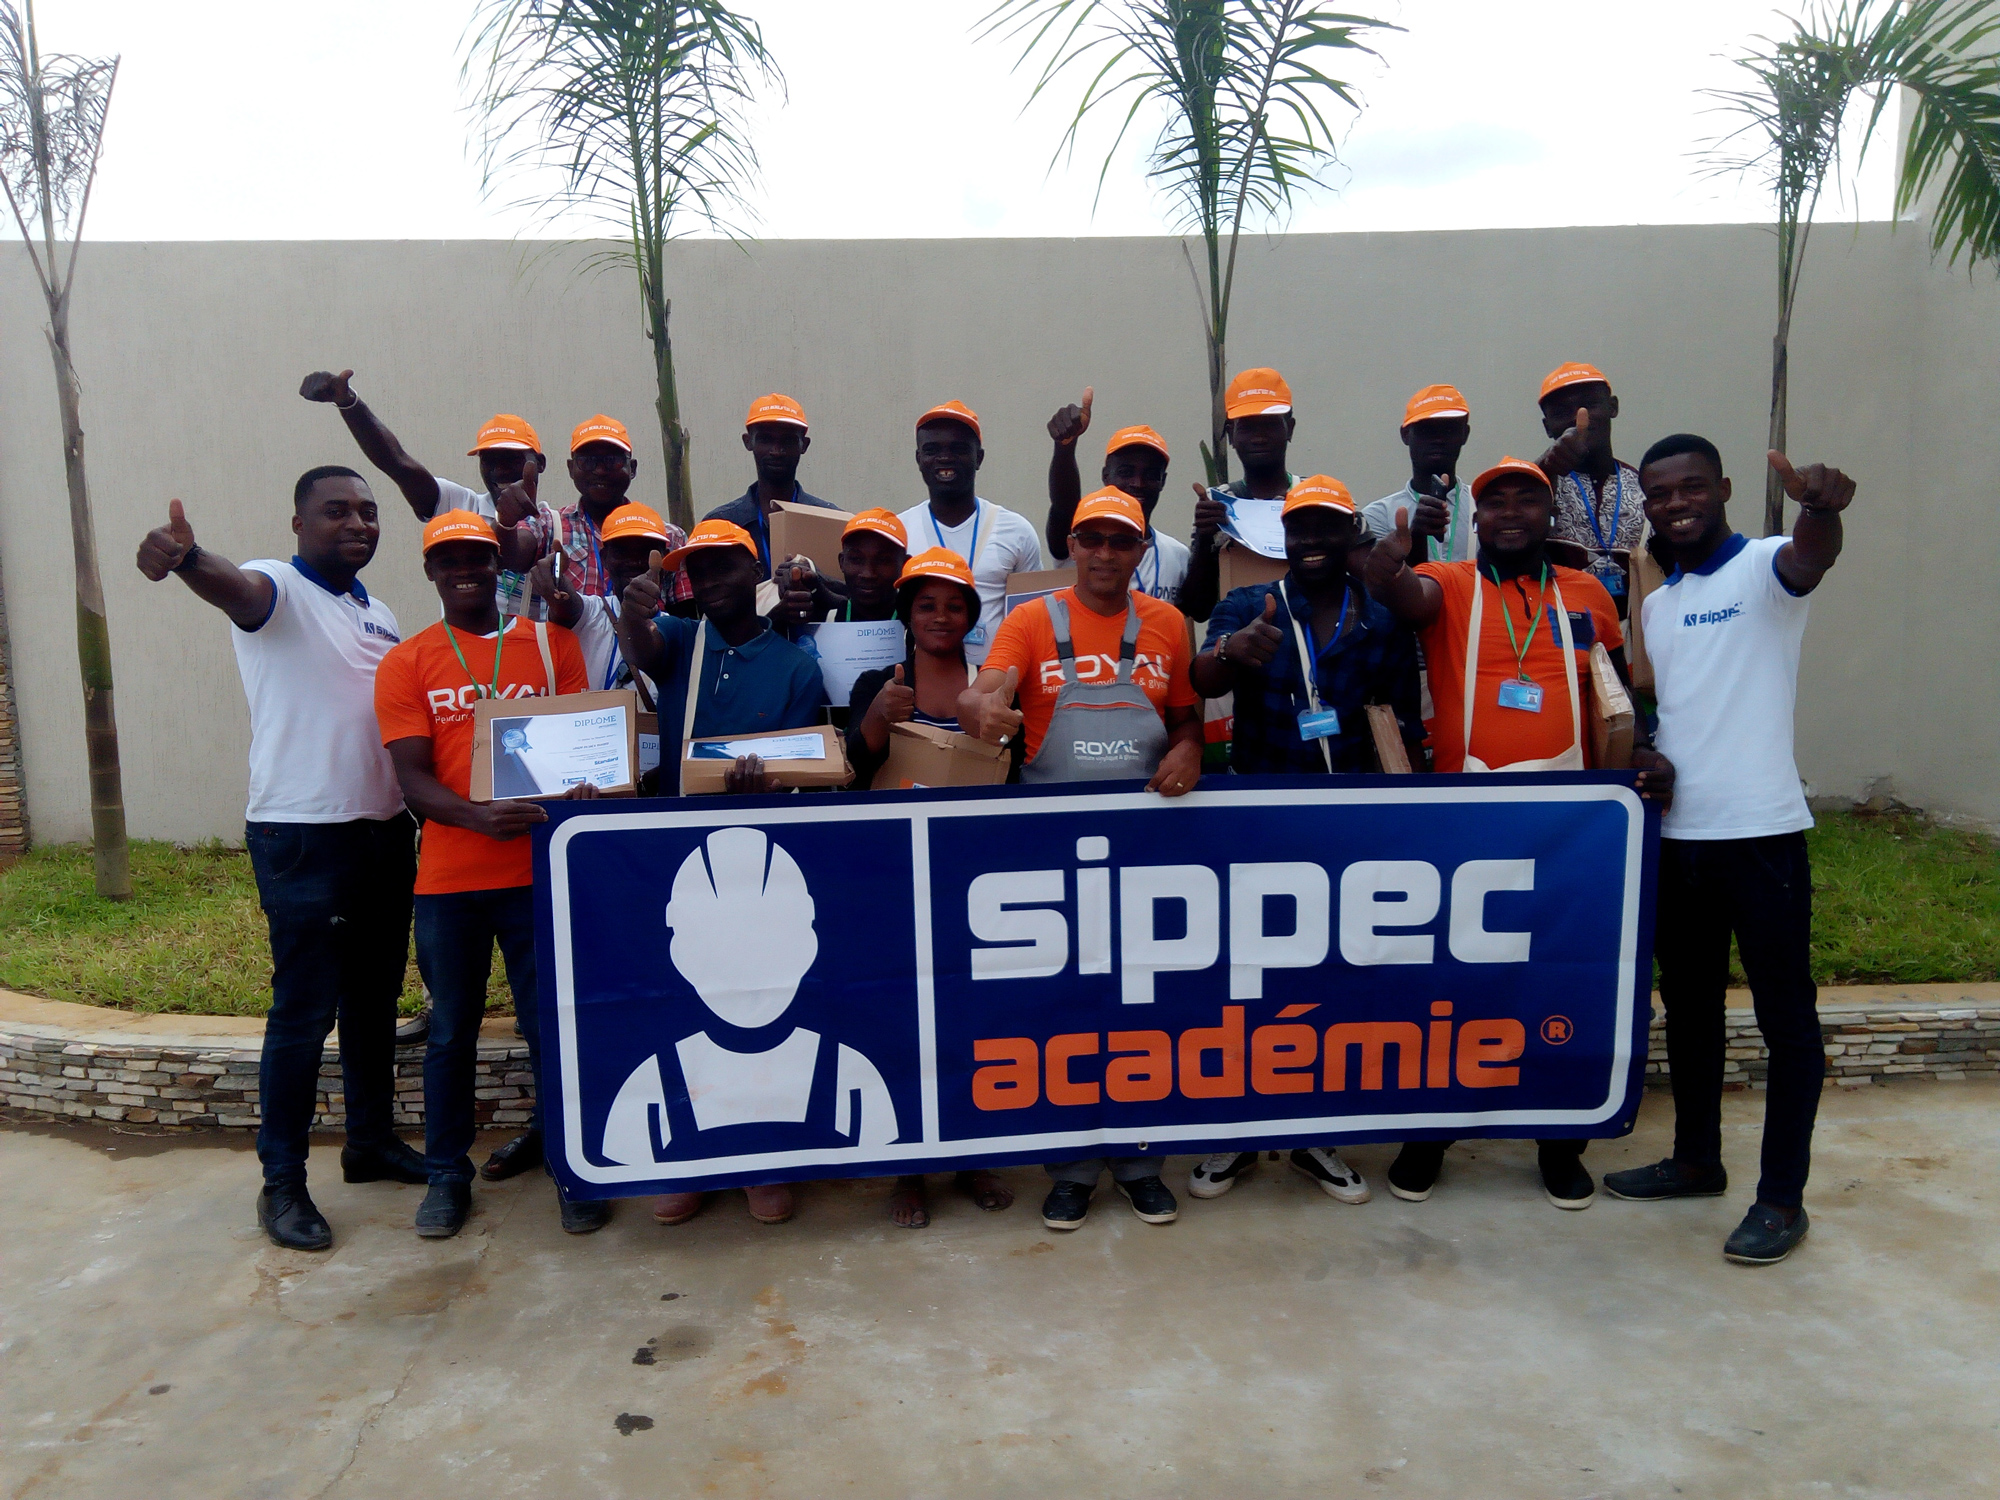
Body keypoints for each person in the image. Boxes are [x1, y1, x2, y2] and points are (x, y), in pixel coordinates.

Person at [1363, 457, 1675, 1211]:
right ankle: (1432, 1135)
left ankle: (1558, 1142)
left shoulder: (1586, 592)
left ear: (1548, 515)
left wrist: (1642, 751)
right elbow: (1399, 594)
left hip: (1567, 822)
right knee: (1453, 981)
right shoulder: (1452, 584)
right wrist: (1388, 558)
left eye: (1525, 501)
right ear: (1477, 519)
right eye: (1495, 502)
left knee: (1558, 981)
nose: (1510, 513)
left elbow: (1615, 686)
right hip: (1465, 817)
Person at [135, 468, 423, 1252]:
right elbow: (237, 591)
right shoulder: (278, 587)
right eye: (337, 511)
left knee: (373, 1002)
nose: (358, 524)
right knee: (304, 1012)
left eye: (369, 513)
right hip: (304, 837)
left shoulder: (377, 613)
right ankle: (283, 1183)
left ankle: (370, 1143)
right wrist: (189, 559)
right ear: (298, 524)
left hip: (383, 831)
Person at [1603, 437, 1856, 1267]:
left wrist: (1819, 508)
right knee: (1691, 1010)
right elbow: (1677, 710)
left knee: (1787, 1022)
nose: (1676, 504)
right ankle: (1696, 1160)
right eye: (1661, 494)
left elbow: (1813, 556)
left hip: (1762, 837)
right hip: (1681, 840)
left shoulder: (1766, 567)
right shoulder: (1660, 605)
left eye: (1692, 488)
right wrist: (1648, 751)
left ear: (1723, 489)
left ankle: (1782, 1199)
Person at [961, 487, 1203, 1233]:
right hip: (1053, 857)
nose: (1104, 554)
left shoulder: (1168, 625)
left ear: (1140, 552)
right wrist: (981, 709)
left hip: (1148, 857)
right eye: (1091, 539)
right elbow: (983, 692)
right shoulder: (1031, 621)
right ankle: (1069, 1170)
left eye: (1120, 541)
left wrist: (1191, 749)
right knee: (1063, 1014)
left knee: (1142, 1013)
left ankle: (1139, 1163)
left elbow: (1186, 718)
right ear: (1071, 546)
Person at [1183, 474, 1423, 1206]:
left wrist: (1404, 816)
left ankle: (1316, 1133)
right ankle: (1238, 1129)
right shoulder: (1248, 604)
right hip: (1260, 824)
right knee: (1249, 979)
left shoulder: (1379, 616)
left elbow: (1402, 723)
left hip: (1350, 830)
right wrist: (1233, 653)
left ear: (1350, 532)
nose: (1312, 540)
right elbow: (1200, 676)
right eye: (1299, 528)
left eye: (1326, 527)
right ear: (1283, 538)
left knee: (1331, 981)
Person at [372, 512, 609, 1240]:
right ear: (430, 572)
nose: (465, 570)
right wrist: (479, 819)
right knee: (451, 1033)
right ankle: (447, 1175)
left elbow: (585, 746)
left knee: (550, 1028)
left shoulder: (553, 645)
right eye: (449, 560)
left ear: (496, 564)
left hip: (540, 874)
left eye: (477, 557)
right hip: (451, 884)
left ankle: (572, 1168)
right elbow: (413, 782)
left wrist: (588, 787)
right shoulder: (408, 663)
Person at [617, 518, 830, 1227]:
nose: (707, 581)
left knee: (759, 1008)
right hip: (680, 857)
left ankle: (761, 1163)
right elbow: (643, 647)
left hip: (761, 863)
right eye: (697, 571)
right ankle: (691, 1163)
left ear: (754, 571)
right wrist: (634, 612)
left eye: (722, 567)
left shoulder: (796, 665)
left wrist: (765, 788)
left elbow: (801, 769)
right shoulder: (682, 638)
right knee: (686, 1007)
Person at [838, 548, 1018, 1226]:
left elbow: (1017, 774)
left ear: (971, 616)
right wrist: (878, 718)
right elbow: (848, 771)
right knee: (901, 1022)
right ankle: (909, 1168)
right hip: (895, 879)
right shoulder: (878, 682)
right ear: (906, 616)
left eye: (953, 605)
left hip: (972, 879)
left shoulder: (993, 687)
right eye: (926, 605)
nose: (940, 616)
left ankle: (973, 1155)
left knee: (973, 1019)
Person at [299, 367, 558, 619]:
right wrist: (349, 403)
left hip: (529, 647)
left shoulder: (556, 525)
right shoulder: (461, 506)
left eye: (512, 459)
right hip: (459, 647)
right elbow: (398, 464)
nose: (499, 470)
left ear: (540, 463)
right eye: (489, 460)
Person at [498, 414, 694, 615]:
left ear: (632, 468)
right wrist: (506, 523)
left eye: (612, 461)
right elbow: (511, 557)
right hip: (568, 636)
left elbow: (686, 620)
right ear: (571, 468)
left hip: (645, 635)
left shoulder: (669, 537)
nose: (600, 470)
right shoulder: (549, 524)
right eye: (587, 461)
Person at [896, 400, 1044, 666]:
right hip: (922, 682)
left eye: (958, 449)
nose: (945, 458)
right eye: (932, 450)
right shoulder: (899, 532)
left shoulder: (1016, 531)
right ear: (919, 459)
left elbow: (1034, 617)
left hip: (999, 680)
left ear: (979, 458)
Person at [1042, 388, 1191, 607]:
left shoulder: (1178, 555)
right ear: (1106, 476)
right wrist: (1065, 448)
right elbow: (1063, 507)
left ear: (1163, 481)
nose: (1138, 483)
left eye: (1151, 475)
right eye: (1126, 472)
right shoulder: (1086, 542)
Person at [1179, 367, 1301, 622]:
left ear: (1289, 429)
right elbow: (1198, 609)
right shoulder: (1218, 503)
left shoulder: (1316, 497)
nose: (1259, 438)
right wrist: (1205, 538)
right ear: (1230, 435)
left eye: (1270, 424)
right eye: (1247, 426)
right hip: (1237, 642)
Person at [1535, 361, 1646, 607]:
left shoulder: (1644, 487)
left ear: (1613, 407)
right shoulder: (1538, 483)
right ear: (1547, 426)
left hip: (1632, 627)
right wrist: (1545, 469)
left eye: (1589, 404)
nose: (1579, 418)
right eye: (1561, 411)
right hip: (1557, 624)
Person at [702, 392, 841, 581]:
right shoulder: (721, 523)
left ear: (804, 445)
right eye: (766, 439)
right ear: (748, 442)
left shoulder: (830, 522)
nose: (776, 451)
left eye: (788, 440)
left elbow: (843, 592)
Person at [1361, 384, 1477, 565]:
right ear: (1405, 435)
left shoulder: (1482, 507)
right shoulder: (1378, 516)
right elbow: (1380, 579)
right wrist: (1416, 536)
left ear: (1465, 434)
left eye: (1449, 429)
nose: (1438, 439)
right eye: (1426, 429)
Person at [773, 508, 910, 629]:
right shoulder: (820, 620)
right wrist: (777, 619)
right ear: (842, 562)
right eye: (856, 559)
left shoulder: (915, 626)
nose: (868, 574)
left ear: (905, 565)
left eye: (883, 560)